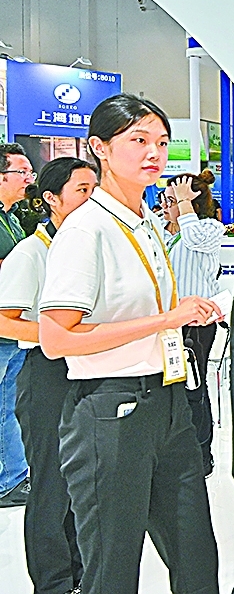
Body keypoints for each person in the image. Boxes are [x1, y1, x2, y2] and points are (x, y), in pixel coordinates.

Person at [38, 94, 223, 594]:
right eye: (138, 140)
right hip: (110, 410)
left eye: (161, 141)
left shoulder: (146, 222)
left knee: (197, 557)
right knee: (113, 568)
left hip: (167, 402)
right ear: (100, 148)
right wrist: (166, 319)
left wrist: (187, 309)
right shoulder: (86, 229)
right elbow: (56, 338)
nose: (154, 152)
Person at [0, 157, 97, 594]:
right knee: (52, 485)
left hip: (86, 371)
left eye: (95, 189)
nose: (92, 199)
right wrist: (56, 334)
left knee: (82, 484)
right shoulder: (31, 252)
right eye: (81, 190)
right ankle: (53, 583)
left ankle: (79, 575)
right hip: (46, 372)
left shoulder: (90, 246)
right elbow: (4, 321)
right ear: (51, 199)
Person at [163, 169, 225, 475]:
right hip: (166, 322)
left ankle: (202, 455)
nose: (165, 206)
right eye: (165, 199)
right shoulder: (162, 231)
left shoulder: (210, 229)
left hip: (197, 325)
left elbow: (194, 238)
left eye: (172, 200)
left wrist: (185, 204)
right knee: (171, 391)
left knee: (194, 389)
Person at [0, 142, 35, 508]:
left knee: (8, 404)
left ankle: (11, 477)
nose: (29, 178)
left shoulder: (12, 217)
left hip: (15, 326)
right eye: (21, 172)